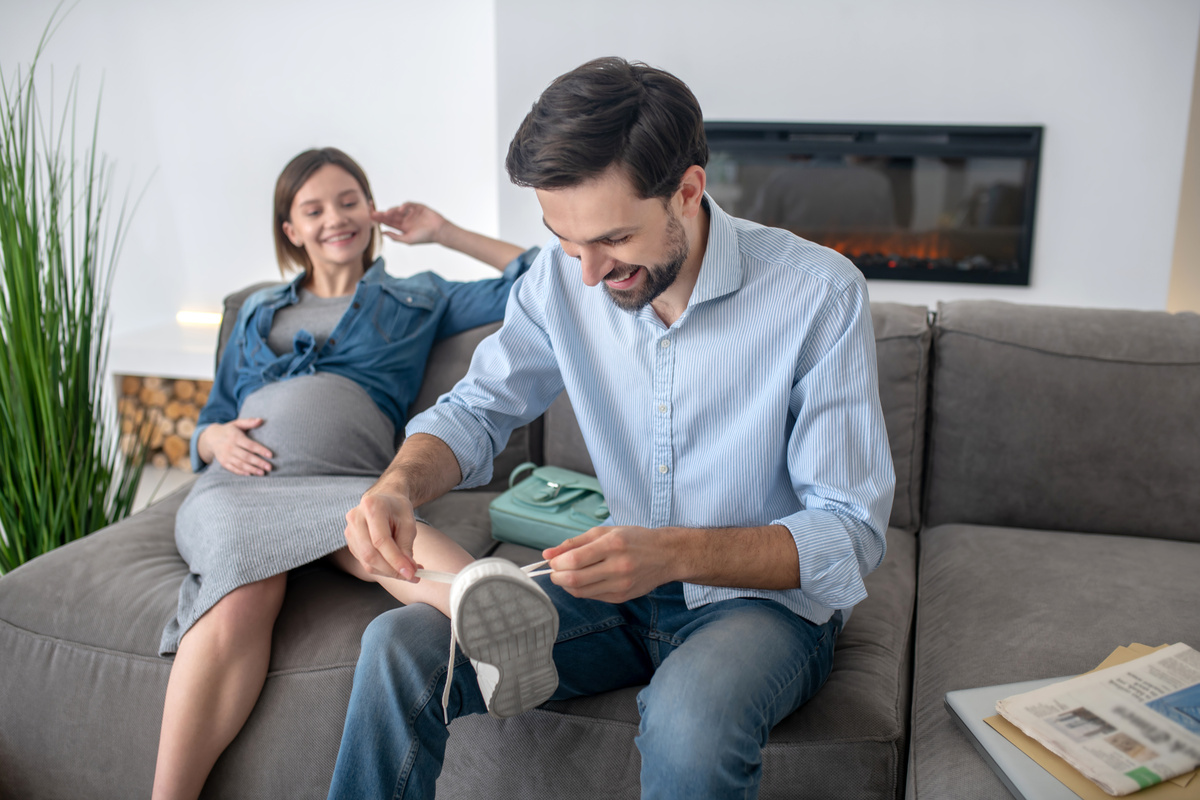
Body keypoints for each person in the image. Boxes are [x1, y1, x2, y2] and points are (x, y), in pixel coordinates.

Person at [331, 58, 896, 800]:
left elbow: (848, 532)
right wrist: (399, 486)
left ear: (688, 191)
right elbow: (475, 409)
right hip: (616, 594)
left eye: (613, 241)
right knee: (398, 645)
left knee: (690, 722)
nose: (589, 275)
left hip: (763, 608)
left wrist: (670, 554)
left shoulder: (818, 295)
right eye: (565, 240)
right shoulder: (560, 279)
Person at [151, 147, 537, 800]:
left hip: (345, 484)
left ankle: (506, 620)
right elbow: (210, 421)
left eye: (349, 200)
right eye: (314, 208)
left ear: (372, 209)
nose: (336, 217)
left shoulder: (419, 296)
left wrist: (443, 231)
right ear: (291, 231)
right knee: (247, 587)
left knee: (377, 523)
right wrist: (212, 436)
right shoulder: (252, 312)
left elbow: (540, 275)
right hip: (243, 490)